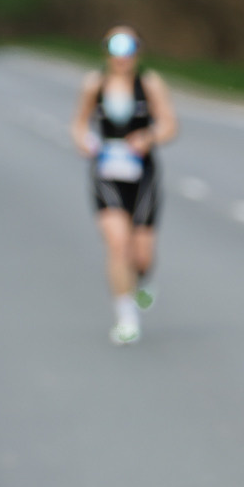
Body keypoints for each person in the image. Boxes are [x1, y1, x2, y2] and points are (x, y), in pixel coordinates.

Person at [72, 28, 177, 344]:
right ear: (106, 53)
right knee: (118, 244)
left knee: (141, 256)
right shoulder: (95, 84)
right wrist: (84, 142)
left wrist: (148, 137)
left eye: (129, 48)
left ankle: (142, 280)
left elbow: (169, 125)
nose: (122, 56)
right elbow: (79, 124)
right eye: (115, 49)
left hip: (142, 172)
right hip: (106, 171)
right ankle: (126, 318)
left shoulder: (150, 84)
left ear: (138, 52)